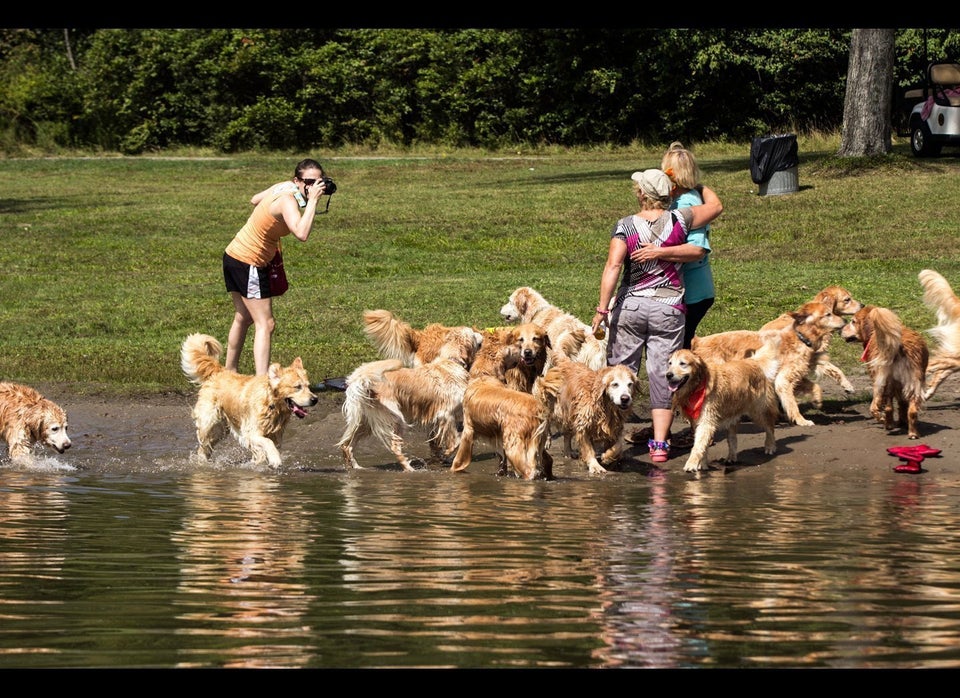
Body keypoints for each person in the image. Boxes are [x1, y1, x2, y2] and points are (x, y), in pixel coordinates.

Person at [591, 168, 722, 464]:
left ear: (641, 194)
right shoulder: (683, 218)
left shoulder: (625, 226)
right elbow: (714, 210)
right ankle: (660, 446)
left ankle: (611, 441)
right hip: (669, 308)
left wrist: (601, 309)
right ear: (669, 193)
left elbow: (613, 267)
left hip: (631, 307)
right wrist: (696, 185)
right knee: (664, 375)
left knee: (620, 373)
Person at [222, 158, 330, 375]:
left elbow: (255, 200)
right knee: (266, 324)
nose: (313, 187)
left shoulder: (284, 187)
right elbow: (301, 233)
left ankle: (229, 373)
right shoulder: (288, 201)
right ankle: (263, 383)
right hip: (249, 261)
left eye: (319, 182)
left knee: (243, 317)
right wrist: (313, 203)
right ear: (297, 181)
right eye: (308, 182)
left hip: (234, 254)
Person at [661, 142, 715, 350]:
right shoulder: (683, 198)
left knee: (679, 349)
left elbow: (697, 249)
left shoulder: (686, 203)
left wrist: (657, 254)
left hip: (693, 291)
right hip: (693, 289)